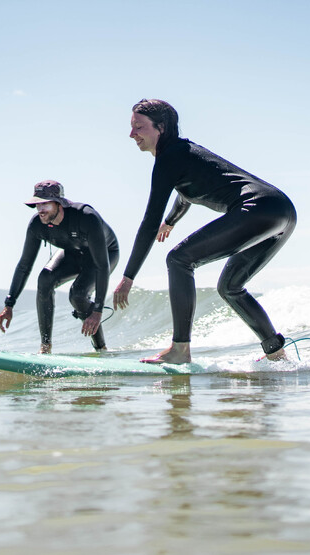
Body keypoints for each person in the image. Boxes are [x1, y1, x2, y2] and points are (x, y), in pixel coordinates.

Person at [113, 99, 297, 364]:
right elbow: (185, 195)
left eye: (138, 127)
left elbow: (149, 222)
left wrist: (128, 277)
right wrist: (172, 221)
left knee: (179, 259)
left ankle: (180, 349)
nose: (132, 134)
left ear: (160, 127)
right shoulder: (184, 152)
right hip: (281, 211)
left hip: (257, 208)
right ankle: (276, 353)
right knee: (231, 287)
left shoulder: (169, 158)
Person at [0, 180, 119, 353]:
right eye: (37, 204)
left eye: (45, 204)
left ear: (59, 203)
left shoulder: (86, 217)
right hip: (73, 252)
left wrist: (98, 310)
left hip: (105, 255)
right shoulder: (36, 225)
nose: (40, 209)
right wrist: (9, 304)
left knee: (78, 295)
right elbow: (24, 265)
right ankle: (45, 347)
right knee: (45, 278)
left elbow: (101, 265)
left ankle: (101, 348)